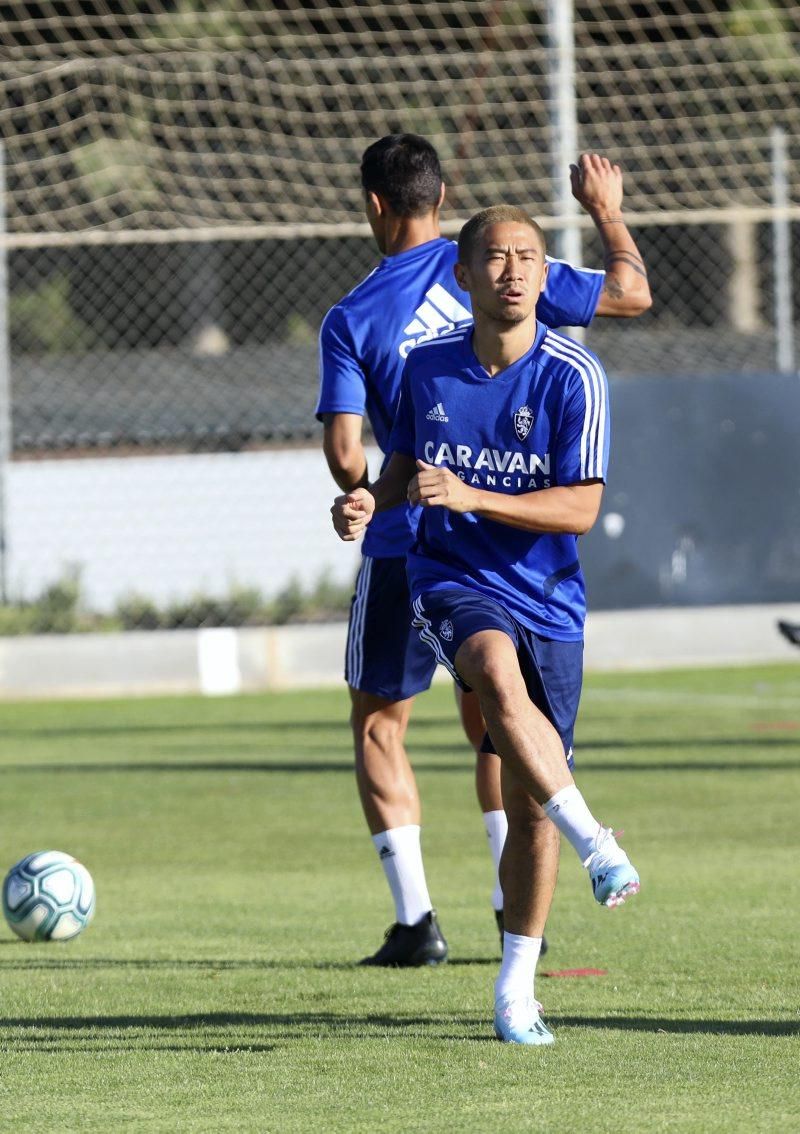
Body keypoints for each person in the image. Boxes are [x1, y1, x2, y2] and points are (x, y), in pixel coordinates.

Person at [317, 134, 650, 967]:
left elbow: (347, 450)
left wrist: (364, 492)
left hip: (412, 543)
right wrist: (607, 213)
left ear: (373, 205)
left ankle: (417, 921)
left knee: (379, 726)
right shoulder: (509, 272)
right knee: (494, 722)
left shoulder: (356, 314)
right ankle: (515, 893)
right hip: (500, 549)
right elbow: (633, 295)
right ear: (444, 198)